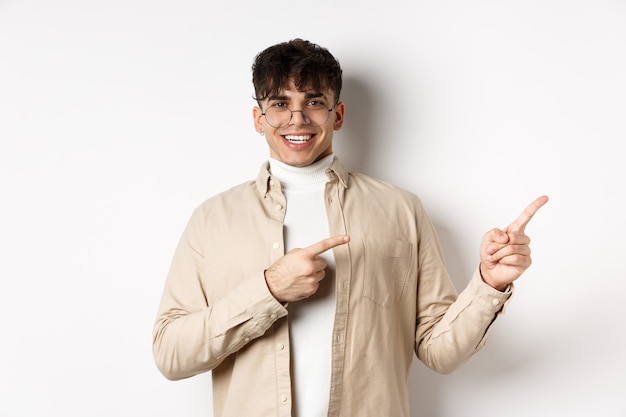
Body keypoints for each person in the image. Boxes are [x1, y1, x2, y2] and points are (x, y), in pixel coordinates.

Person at [152, 38, 548, 417]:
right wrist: (269, 289)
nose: (297, 119)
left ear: (337, 115)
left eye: (314, 102)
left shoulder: (400, 210)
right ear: (259, 118)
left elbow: (439, 353)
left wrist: (488, 284)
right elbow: (171, 354)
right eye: (279, 104)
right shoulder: (212, 219)